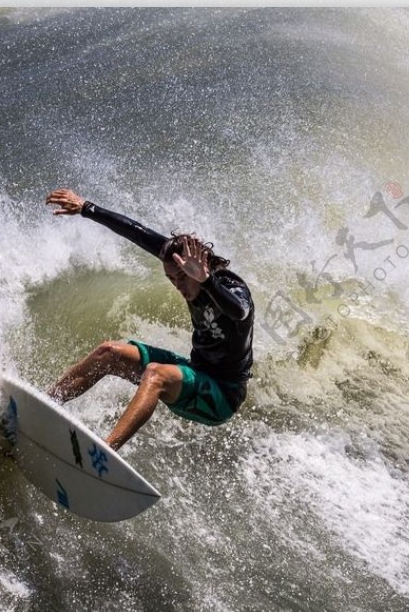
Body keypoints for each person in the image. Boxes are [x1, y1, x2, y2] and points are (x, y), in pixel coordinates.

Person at [44, 188, 255, 451]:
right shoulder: (181, 266)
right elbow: (137, 232)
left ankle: (105, 453)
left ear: (203, 268)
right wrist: (86, 207)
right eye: (172, 279)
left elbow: (241, 312)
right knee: (108, 353)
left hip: (223, 394)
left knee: (155, 374)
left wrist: (207, 281)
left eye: (182, 278)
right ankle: (44, 405)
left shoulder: (230, 287)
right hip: (196, 371)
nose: (178, 285)